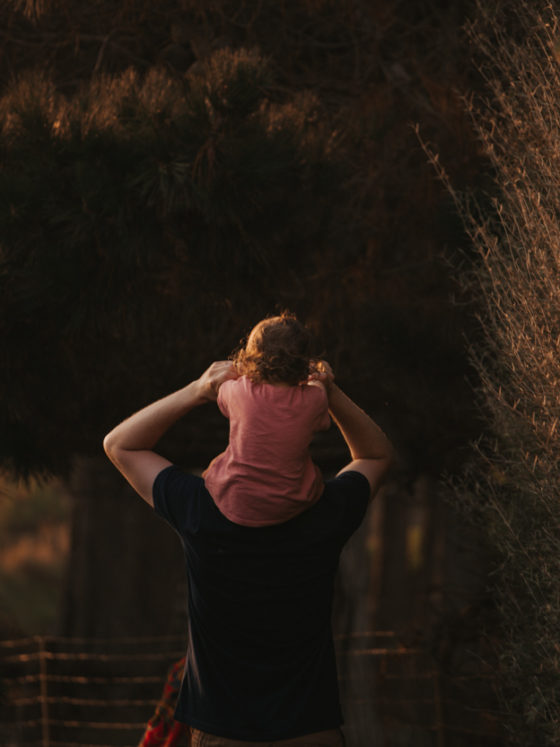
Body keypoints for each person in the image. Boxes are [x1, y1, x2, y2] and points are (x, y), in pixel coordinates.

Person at [103, 345, 393, 747]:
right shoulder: (326, 512)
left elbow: (120, 444)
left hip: (220, 731)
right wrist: (332, 392)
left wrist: (198, 389)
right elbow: (376, 455)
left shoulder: (198, 509)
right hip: (310, 730)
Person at [203, 312, 331, 527]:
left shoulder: (237, 391)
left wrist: (242, 372)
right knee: (312, 476)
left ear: (251, 357)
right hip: (291, 503)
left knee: (213, 468)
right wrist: (321, 380)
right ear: (305, 362)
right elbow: (324, 423)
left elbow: (224, 403)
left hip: (236, 500)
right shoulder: (315, 398)